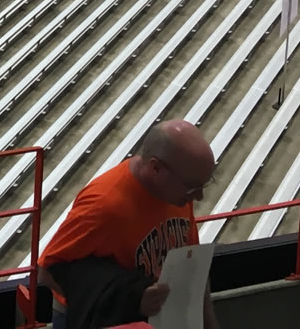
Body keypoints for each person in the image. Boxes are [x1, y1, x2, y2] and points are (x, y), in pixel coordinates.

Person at [40, 120, 217, 329]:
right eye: (191, 188)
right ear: (156, 168)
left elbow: (193, 268)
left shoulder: (176, 194)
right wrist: (127, 302)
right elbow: (47, 272)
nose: (199, 197)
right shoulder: (104, 205)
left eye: (203, 185)